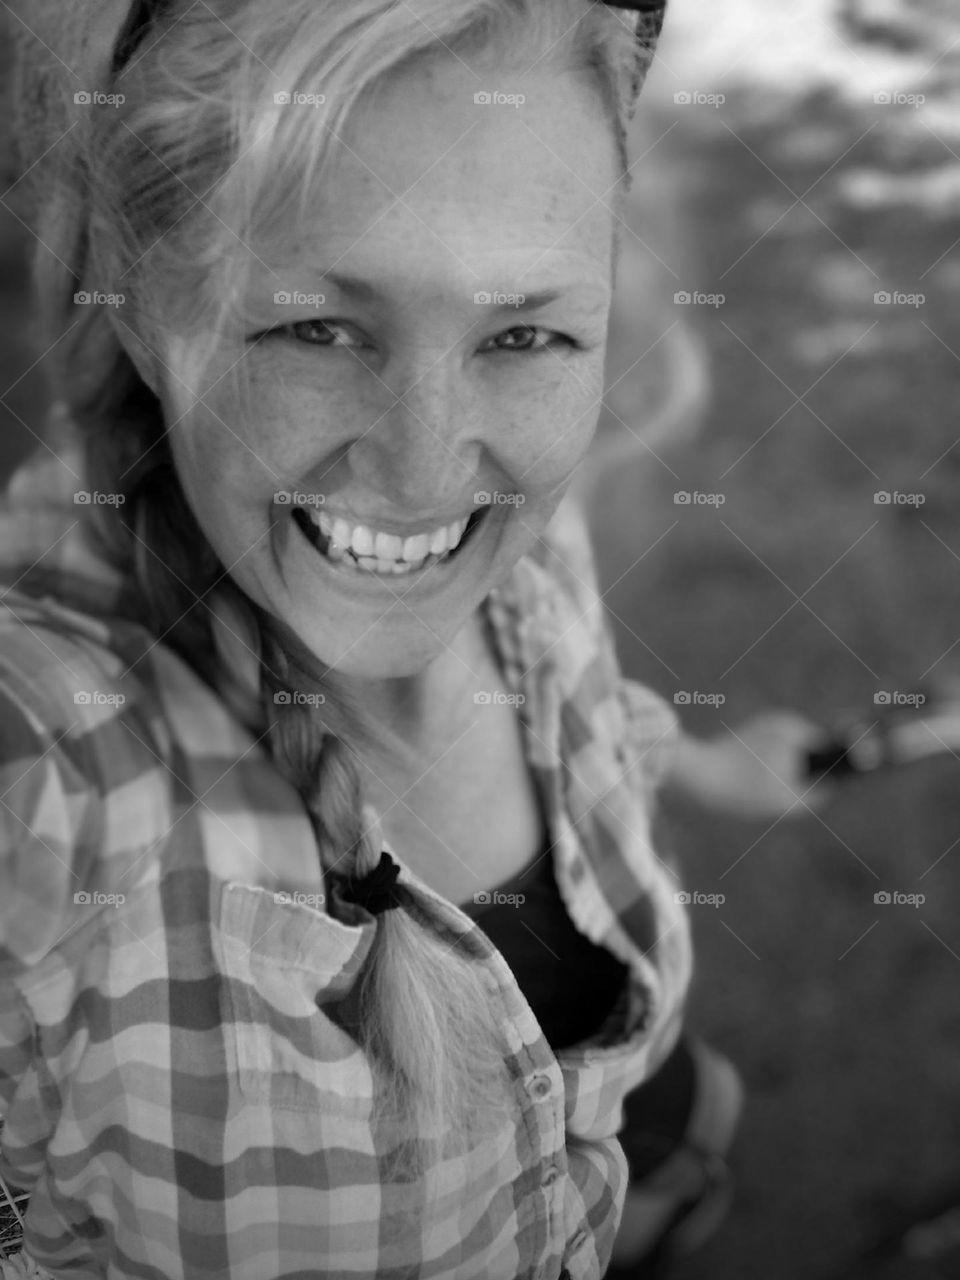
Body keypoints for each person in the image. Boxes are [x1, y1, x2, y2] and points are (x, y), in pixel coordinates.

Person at [0, 1, 831, 1276]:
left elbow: (576, 692)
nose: (429, 467)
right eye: (316, 329)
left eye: (523, 335)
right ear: (140, 306)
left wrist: (708, 764)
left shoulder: (532, 538)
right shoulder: (53, 772)